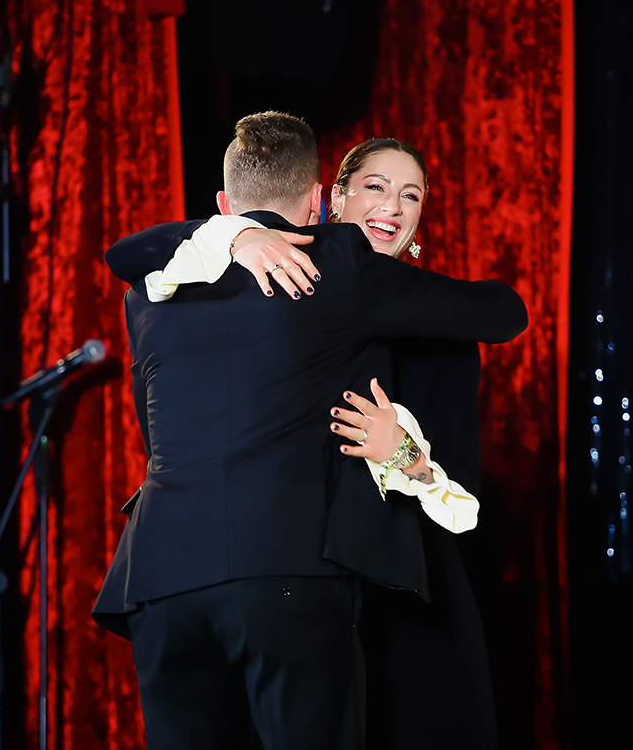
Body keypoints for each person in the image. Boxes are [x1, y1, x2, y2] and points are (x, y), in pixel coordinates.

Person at [91, 112, 527, 750]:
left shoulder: (157, 291)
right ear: (329, 199)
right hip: (293, 578)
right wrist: (242, 235)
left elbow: (463, 481)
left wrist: (404, 453)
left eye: (411, 195)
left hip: (384, 596)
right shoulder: (327, 264)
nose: (392, 206)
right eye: (375, 187)